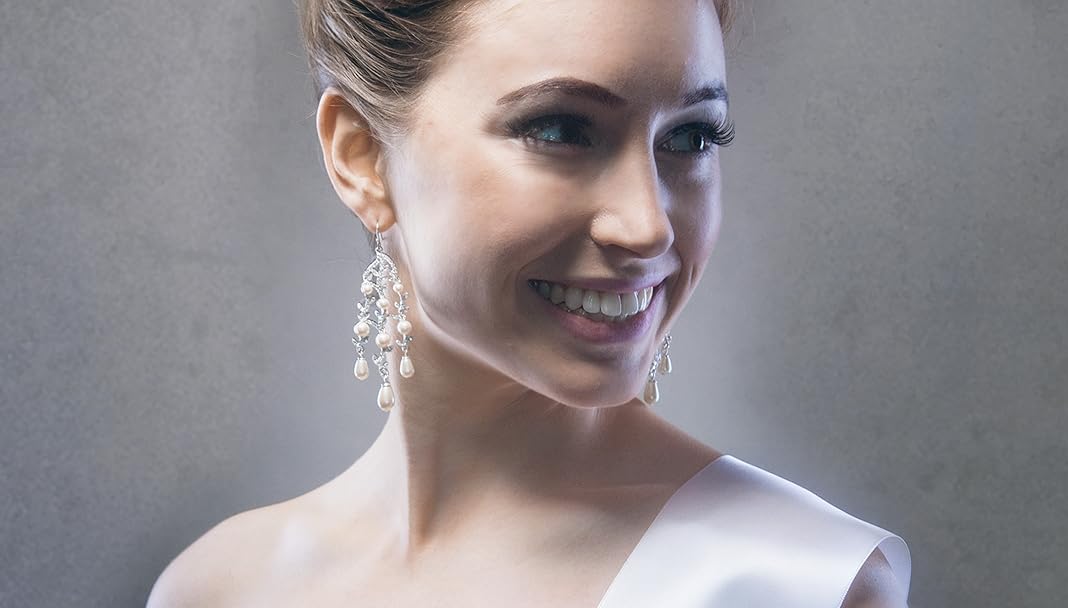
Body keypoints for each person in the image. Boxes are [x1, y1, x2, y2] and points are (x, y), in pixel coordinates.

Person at [147, 1, 912, 606]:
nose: (647, 225)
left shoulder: (800, 584)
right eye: (562, 129)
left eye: (690, 138)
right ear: (362, 157)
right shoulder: (217, 590)